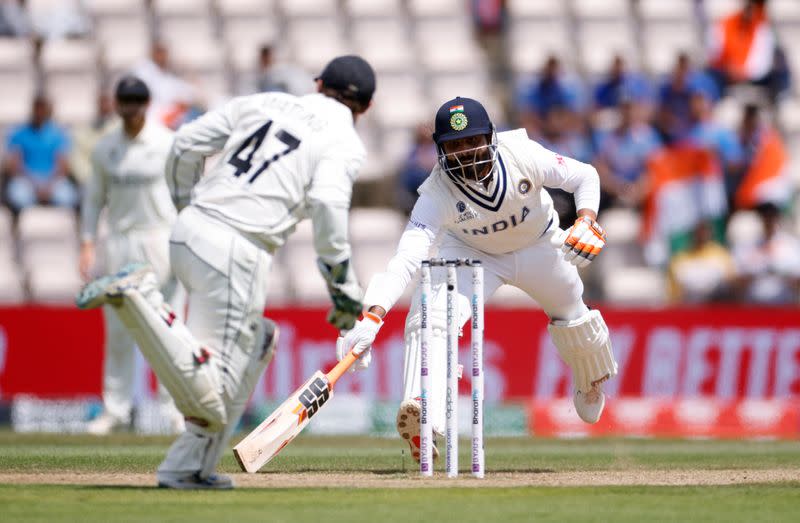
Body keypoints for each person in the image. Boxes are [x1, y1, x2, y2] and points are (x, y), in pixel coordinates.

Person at [75, 55, 376, 489]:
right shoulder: (344, 140)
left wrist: (186, 205)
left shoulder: (267, 101)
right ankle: (138, 299)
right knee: (211, 399)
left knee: (258, 344)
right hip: (237, 250)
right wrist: (343, 288)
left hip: (189, 231)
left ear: (318, 84)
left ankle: (188, 468)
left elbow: (184, 144)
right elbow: (329, 205)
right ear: (365, 107)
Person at [336, 97, 617, 462]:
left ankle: (589, 379)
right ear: (440, 150)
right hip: (473, 254)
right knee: (430, 317)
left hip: (540, 245)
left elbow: (585, 175)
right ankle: (424, 410)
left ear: (490, 138)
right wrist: (370, 317)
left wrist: (586, 219)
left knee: (575, 319)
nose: (465, 152)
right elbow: (406, 258)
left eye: (472, 142)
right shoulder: (437, 192)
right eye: (454, 146)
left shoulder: (521, 153)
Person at [79, 76, 184, 436]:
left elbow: (187, 195)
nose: (130, 109)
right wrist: (87, 242)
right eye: (125, 101)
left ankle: (175, 411)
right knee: (119, 330)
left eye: (137, 101)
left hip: (161, 238)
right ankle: (116, 411)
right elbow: (94, 199)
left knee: (168, 328)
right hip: (121, 242)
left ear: (146, 104)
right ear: (118, 103)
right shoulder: (106, 147)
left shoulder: (166, 142)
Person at [2, 94, 78, 214]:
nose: (40, 112)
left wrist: (48, 186)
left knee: (67, 197)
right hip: (26, 181)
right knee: (18, 197)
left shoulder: (58, 134)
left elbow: (63, 167)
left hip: (53, 181)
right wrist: (35, 185)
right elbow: (15, 166)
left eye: (43, 108)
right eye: (38, 108)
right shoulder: (18, 133)